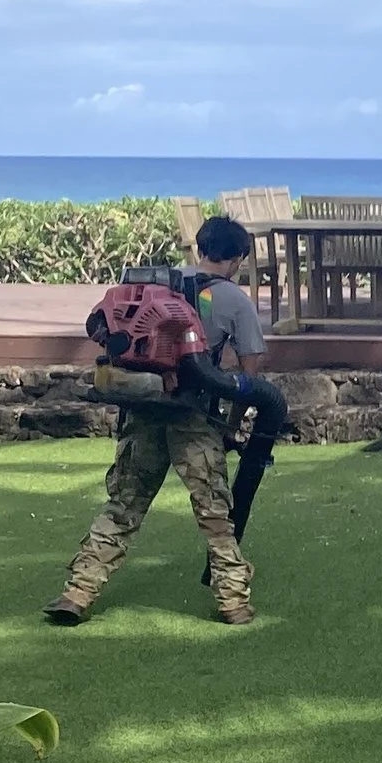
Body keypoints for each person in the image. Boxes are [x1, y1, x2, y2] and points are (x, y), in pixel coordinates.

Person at [45, 215, 285, 626]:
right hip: (194, 416)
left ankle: (78, 592)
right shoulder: (234, 301)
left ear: (200, 247)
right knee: (214, 514)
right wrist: (232, 424)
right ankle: (233, 602)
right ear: (238, 259)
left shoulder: (154, 286)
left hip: (142, 410)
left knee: (123, 505)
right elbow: (249, 376)